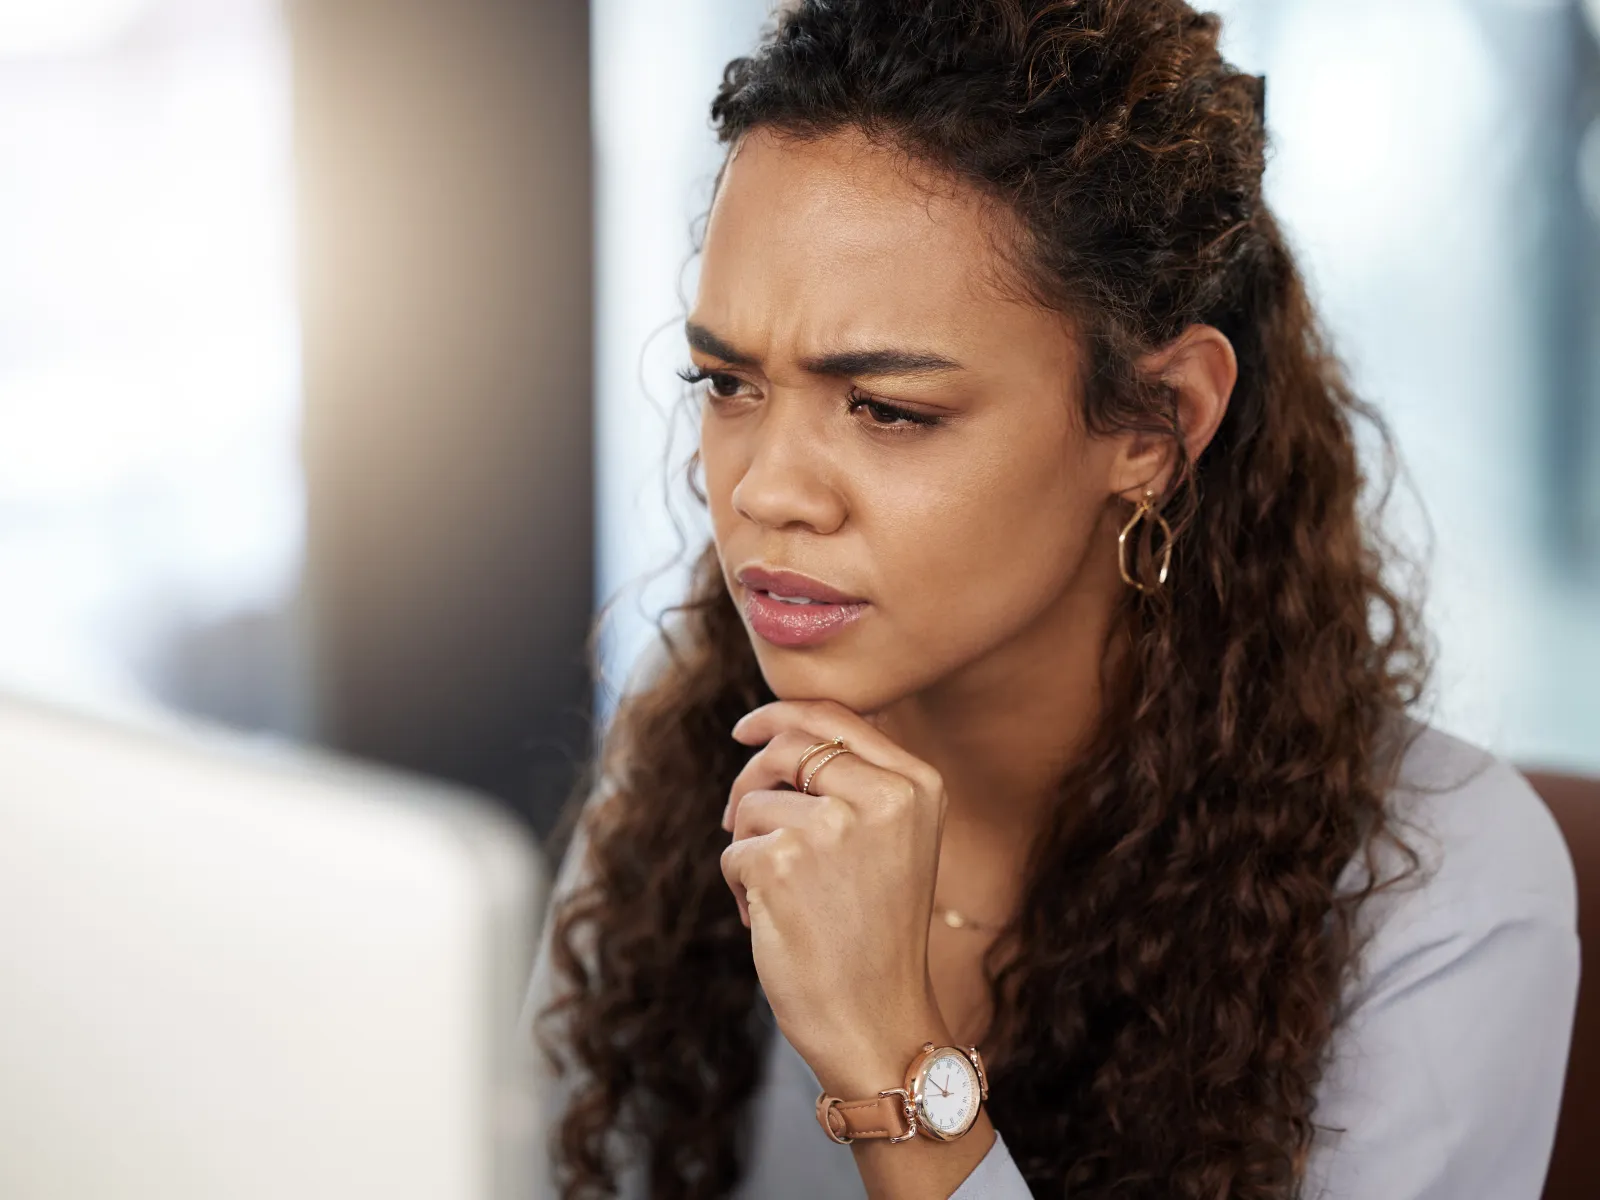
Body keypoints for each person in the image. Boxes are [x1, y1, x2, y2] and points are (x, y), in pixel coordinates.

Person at [522, 2, 1580, 1197]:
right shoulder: (681, 781)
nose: (765, 491)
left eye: (888, 410)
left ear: (1157, 423)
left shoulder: (1436, 891)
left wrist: (890, 1060)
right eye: (726, 382)